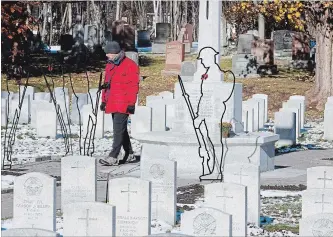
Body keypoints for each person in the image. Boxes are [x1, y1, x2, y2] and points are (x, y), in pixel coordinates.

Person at [99, 41, 139, 166]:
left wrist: (131, 103)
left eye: (109, 54)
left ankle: (113, 156)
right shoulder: (110, 65)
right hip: (112, 102)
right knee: (121, 130)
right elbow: (107, 84)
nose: (107, 56)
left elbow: (133, 86)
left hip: (123, 102)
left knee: (118, 130)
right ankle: (130, 153)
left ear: (115, 53)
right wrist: (104, 100)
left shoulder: (130, 65)